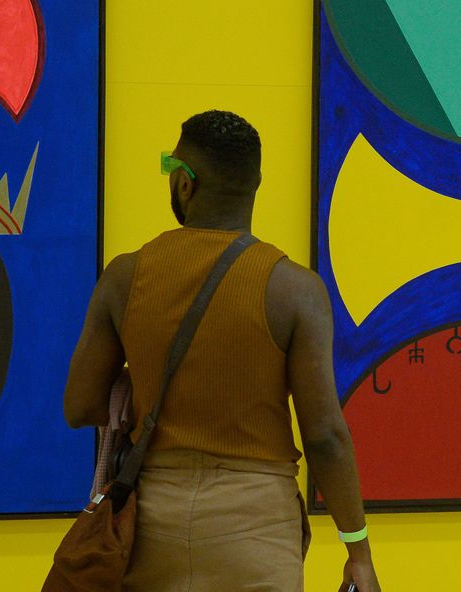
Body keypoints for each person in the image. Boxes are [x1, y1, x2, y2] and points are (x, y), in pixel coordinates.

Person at [64, 110, 381, 592]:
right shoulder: (296, 290)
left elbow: (80, 406)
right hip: (257, 527)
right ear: (255, 185)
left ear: (184, 183)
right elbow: (324, 436)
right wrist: (357, 549)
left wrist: (139, 382)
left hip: (151, 526)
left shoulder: (124, 277)